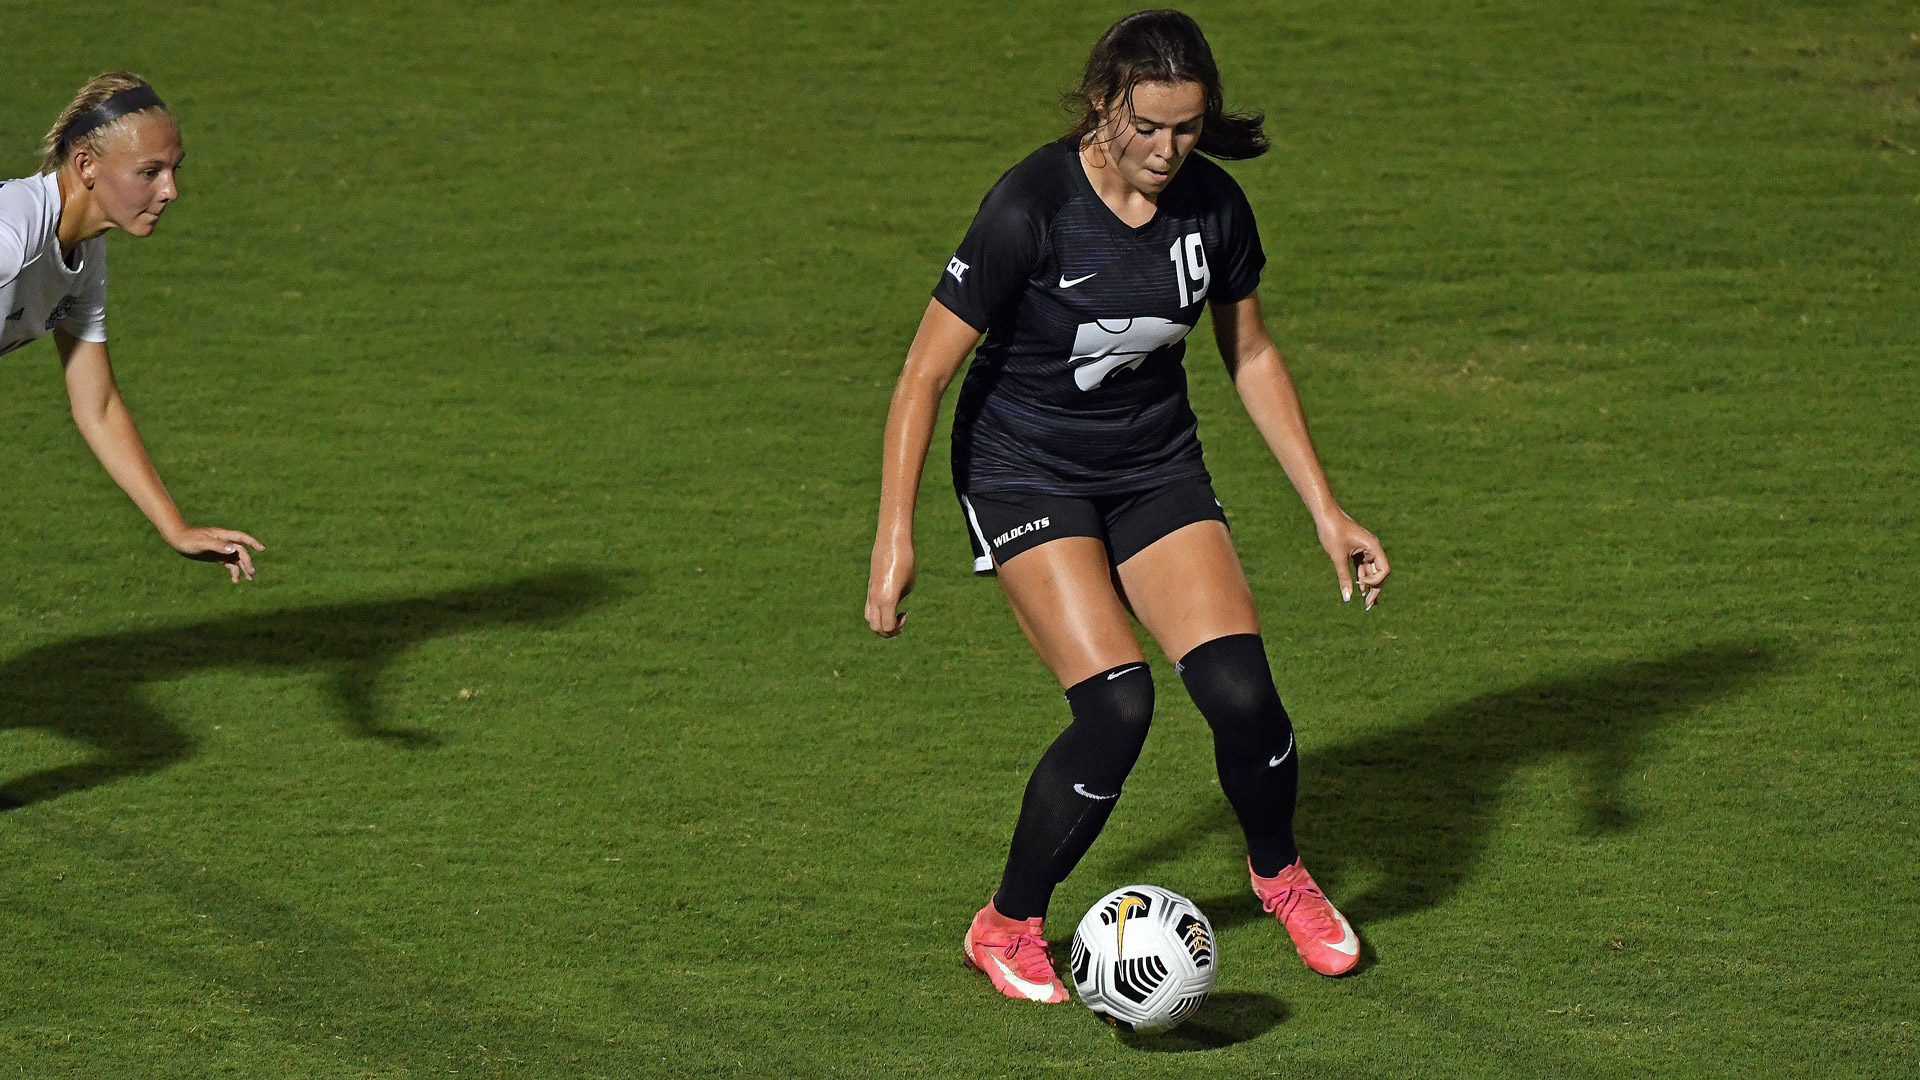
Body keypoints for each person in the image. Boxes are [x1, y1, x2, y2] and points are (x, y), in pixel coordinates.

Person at [864, 10, 1390, 1003]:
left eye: (1187, 128)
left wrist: (1327, 510)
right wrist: (896, 538)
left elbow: (1251, 353)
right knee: (1117, 705)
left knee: (1243, 694)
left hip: (1153, 467)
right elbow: (922, 375)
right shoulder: (1032, 206)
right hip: (1024, 471)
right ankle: (1008, 925)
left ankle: (1279, 874)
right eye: (1147, 126)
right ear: (1104, 103)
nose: (1166, 150)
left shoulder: (1214, 209)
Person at [2, 73, 261, 582]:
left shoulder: (85, 252)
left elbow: (97, 405)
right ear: (86, 166)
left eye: (173, 170)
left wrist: (175, 528)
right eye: (149, 172)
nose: (171, 191)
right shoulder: (12, 236)